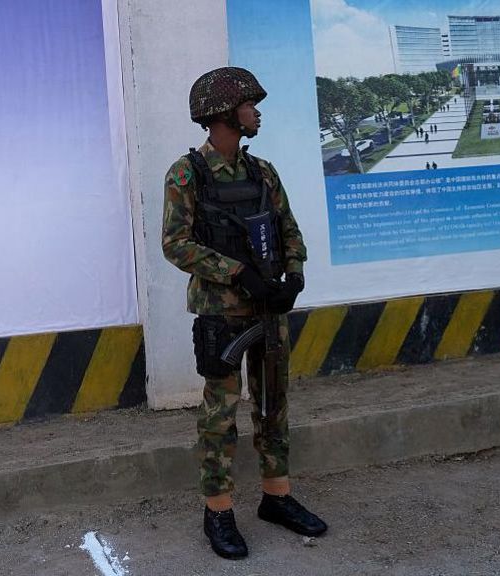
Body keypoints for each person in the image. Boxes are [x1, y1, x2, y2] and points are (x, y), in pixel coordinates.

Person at [162, 67, 326, 561]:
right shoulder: (187, 174)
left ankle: (277, 497)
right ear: (223, 114)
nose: (257, 113)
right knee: (220, 414)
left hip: (269, 308)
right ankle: (218, 510)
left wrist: (293, 275)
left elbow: (289, 229)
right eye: (249, 105)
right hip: (223, 313)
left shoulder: (263, 172)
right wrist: (238, 273)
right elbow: (176, 245)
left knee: (274, 404)